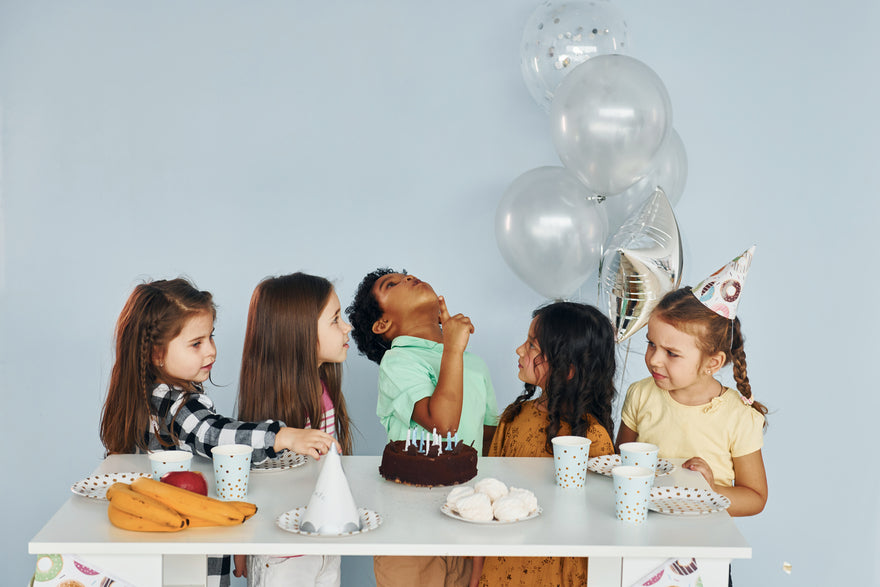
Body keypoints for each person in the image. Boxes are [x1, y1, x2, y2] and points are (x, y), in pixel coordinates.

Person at [99, 277, 338, 587]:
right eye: (196, 343)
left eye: (210, 337)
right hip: (186, 559)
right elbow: (212, 434)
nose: (210, 351)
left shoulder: (146, 396)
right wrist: (282, 436)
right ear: (156, 353)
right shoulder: (173, 402)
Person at [346, 268, 499, 587]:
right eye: (391, 284)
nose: (407, 278)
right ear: (383, 324)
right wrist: (453, 348)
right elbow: (442, 423)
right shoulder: (397, 363)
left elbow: (489, 445)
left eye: (406, 275)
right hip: (409, 532)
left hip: (466, 526)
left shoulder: (473, 365)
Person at [472, 302, 617, 587]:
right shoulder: (512, 419)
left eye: (532, 346)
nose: (519, 350)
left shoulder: (592, 438)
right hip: (502, 567)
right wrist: (476, 575)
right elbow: (488, 499)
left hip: (560, 573)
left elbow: (601, 524)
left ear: (569, 369)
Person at [616, 248, 768, 518]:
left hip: (703, 546)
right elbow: (622, 464)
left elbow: (755, 498)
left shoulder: (738, 417)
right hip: (643, 530)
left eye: (671, 353)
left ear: (713, 363)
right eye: (651, 344)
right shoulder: (640, 395)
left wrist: (712, 490)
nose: (654, 360)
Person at [233, 272, 354, 585]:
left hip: (320, 541)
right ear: (299, 333)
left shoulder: (323, 389)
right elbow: (249, 476)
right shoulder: (274, 416)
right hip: (283, 555)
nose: (347, 327)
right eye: (336, 319)